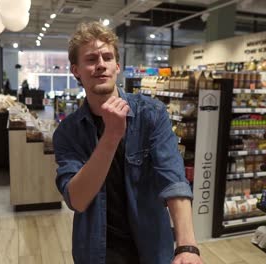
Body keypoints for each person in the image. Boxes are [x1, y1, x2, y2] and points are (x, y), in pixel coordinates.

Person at [53, 21, 203, 264]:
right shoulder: (68, 133)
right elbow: (77, 200)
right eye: (91, 59)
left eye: (107, 57)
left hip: (152, 247)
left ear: (117, 66)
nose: (100, 64)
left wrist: (187, 246)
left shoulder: (151, 113)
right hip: (97, 251)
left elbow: (174, 179)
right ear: (76, 71)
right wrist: (111, 136)